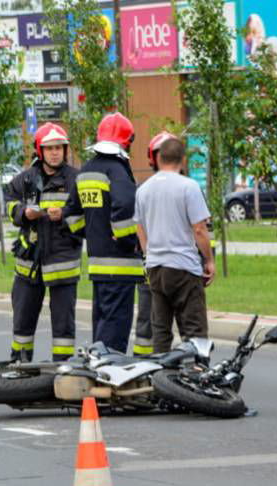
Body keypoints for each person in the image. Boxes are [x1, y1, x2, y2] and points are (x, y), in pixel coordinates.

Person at [64, 112, 143, 353]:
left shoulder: (85, 170)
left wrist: (92, 234)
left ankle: (97, 377)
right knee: (115, 331)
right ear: (125, 142)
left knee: (101, 324)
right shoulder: (118, 171)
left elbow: (72, 214)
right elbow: (125, 209)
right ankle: (107, 380)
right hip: (120, 266)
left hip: (97, 264)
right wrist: (131, 241)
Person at [4, 123, 81, 362]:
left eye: (59, 147)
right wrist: (22, 213)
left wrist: (65, 217)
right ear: (40, 151)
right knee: (23, 321)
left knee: (63, 327)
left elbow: (86, 216)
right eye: (49, 148)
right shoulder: (26, 179)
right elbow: (8, 202)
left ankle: (63, 370)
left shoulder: (76, 180)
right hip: (29, 264)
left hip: (62, 263)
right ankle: (21, 364)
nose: (55, 152)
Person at [134, 137, 215, 353]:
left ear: (158, 158)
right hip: (184, 268)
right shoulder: (189, 187)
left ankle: (161, 377)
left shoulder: (143, 190)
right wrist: (209, 260)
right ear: (183, 159)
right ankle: (196, 376)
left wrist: (148, 254)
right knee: (194, 331)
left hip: (156, 269)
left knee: (160, 330)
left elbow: (139, 227)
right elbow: (199, 229)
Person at [131, 130, 178, 357]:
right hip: (162, 267)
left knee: (180, 322)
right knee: (150, 321)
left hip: (169, 267)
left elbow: (202, 229)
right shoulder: (146, 191)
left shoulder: (145, 190)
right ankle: (146, 363)